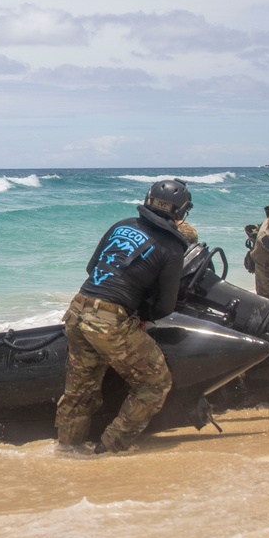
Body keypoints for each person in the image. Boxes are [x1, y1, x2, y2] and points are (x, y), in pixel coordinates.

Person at [56, 180, 191, 454]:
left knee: (79, 392)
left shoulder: (123, 224)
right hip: (109, 322)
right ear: (182, 213)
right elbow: (165, 305)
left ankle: (67, 452)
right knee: (155, 384)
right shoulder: (173, 247)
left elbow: (92, 267)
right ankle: (110, 447)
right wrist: (139, 316)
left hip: (77, 310)